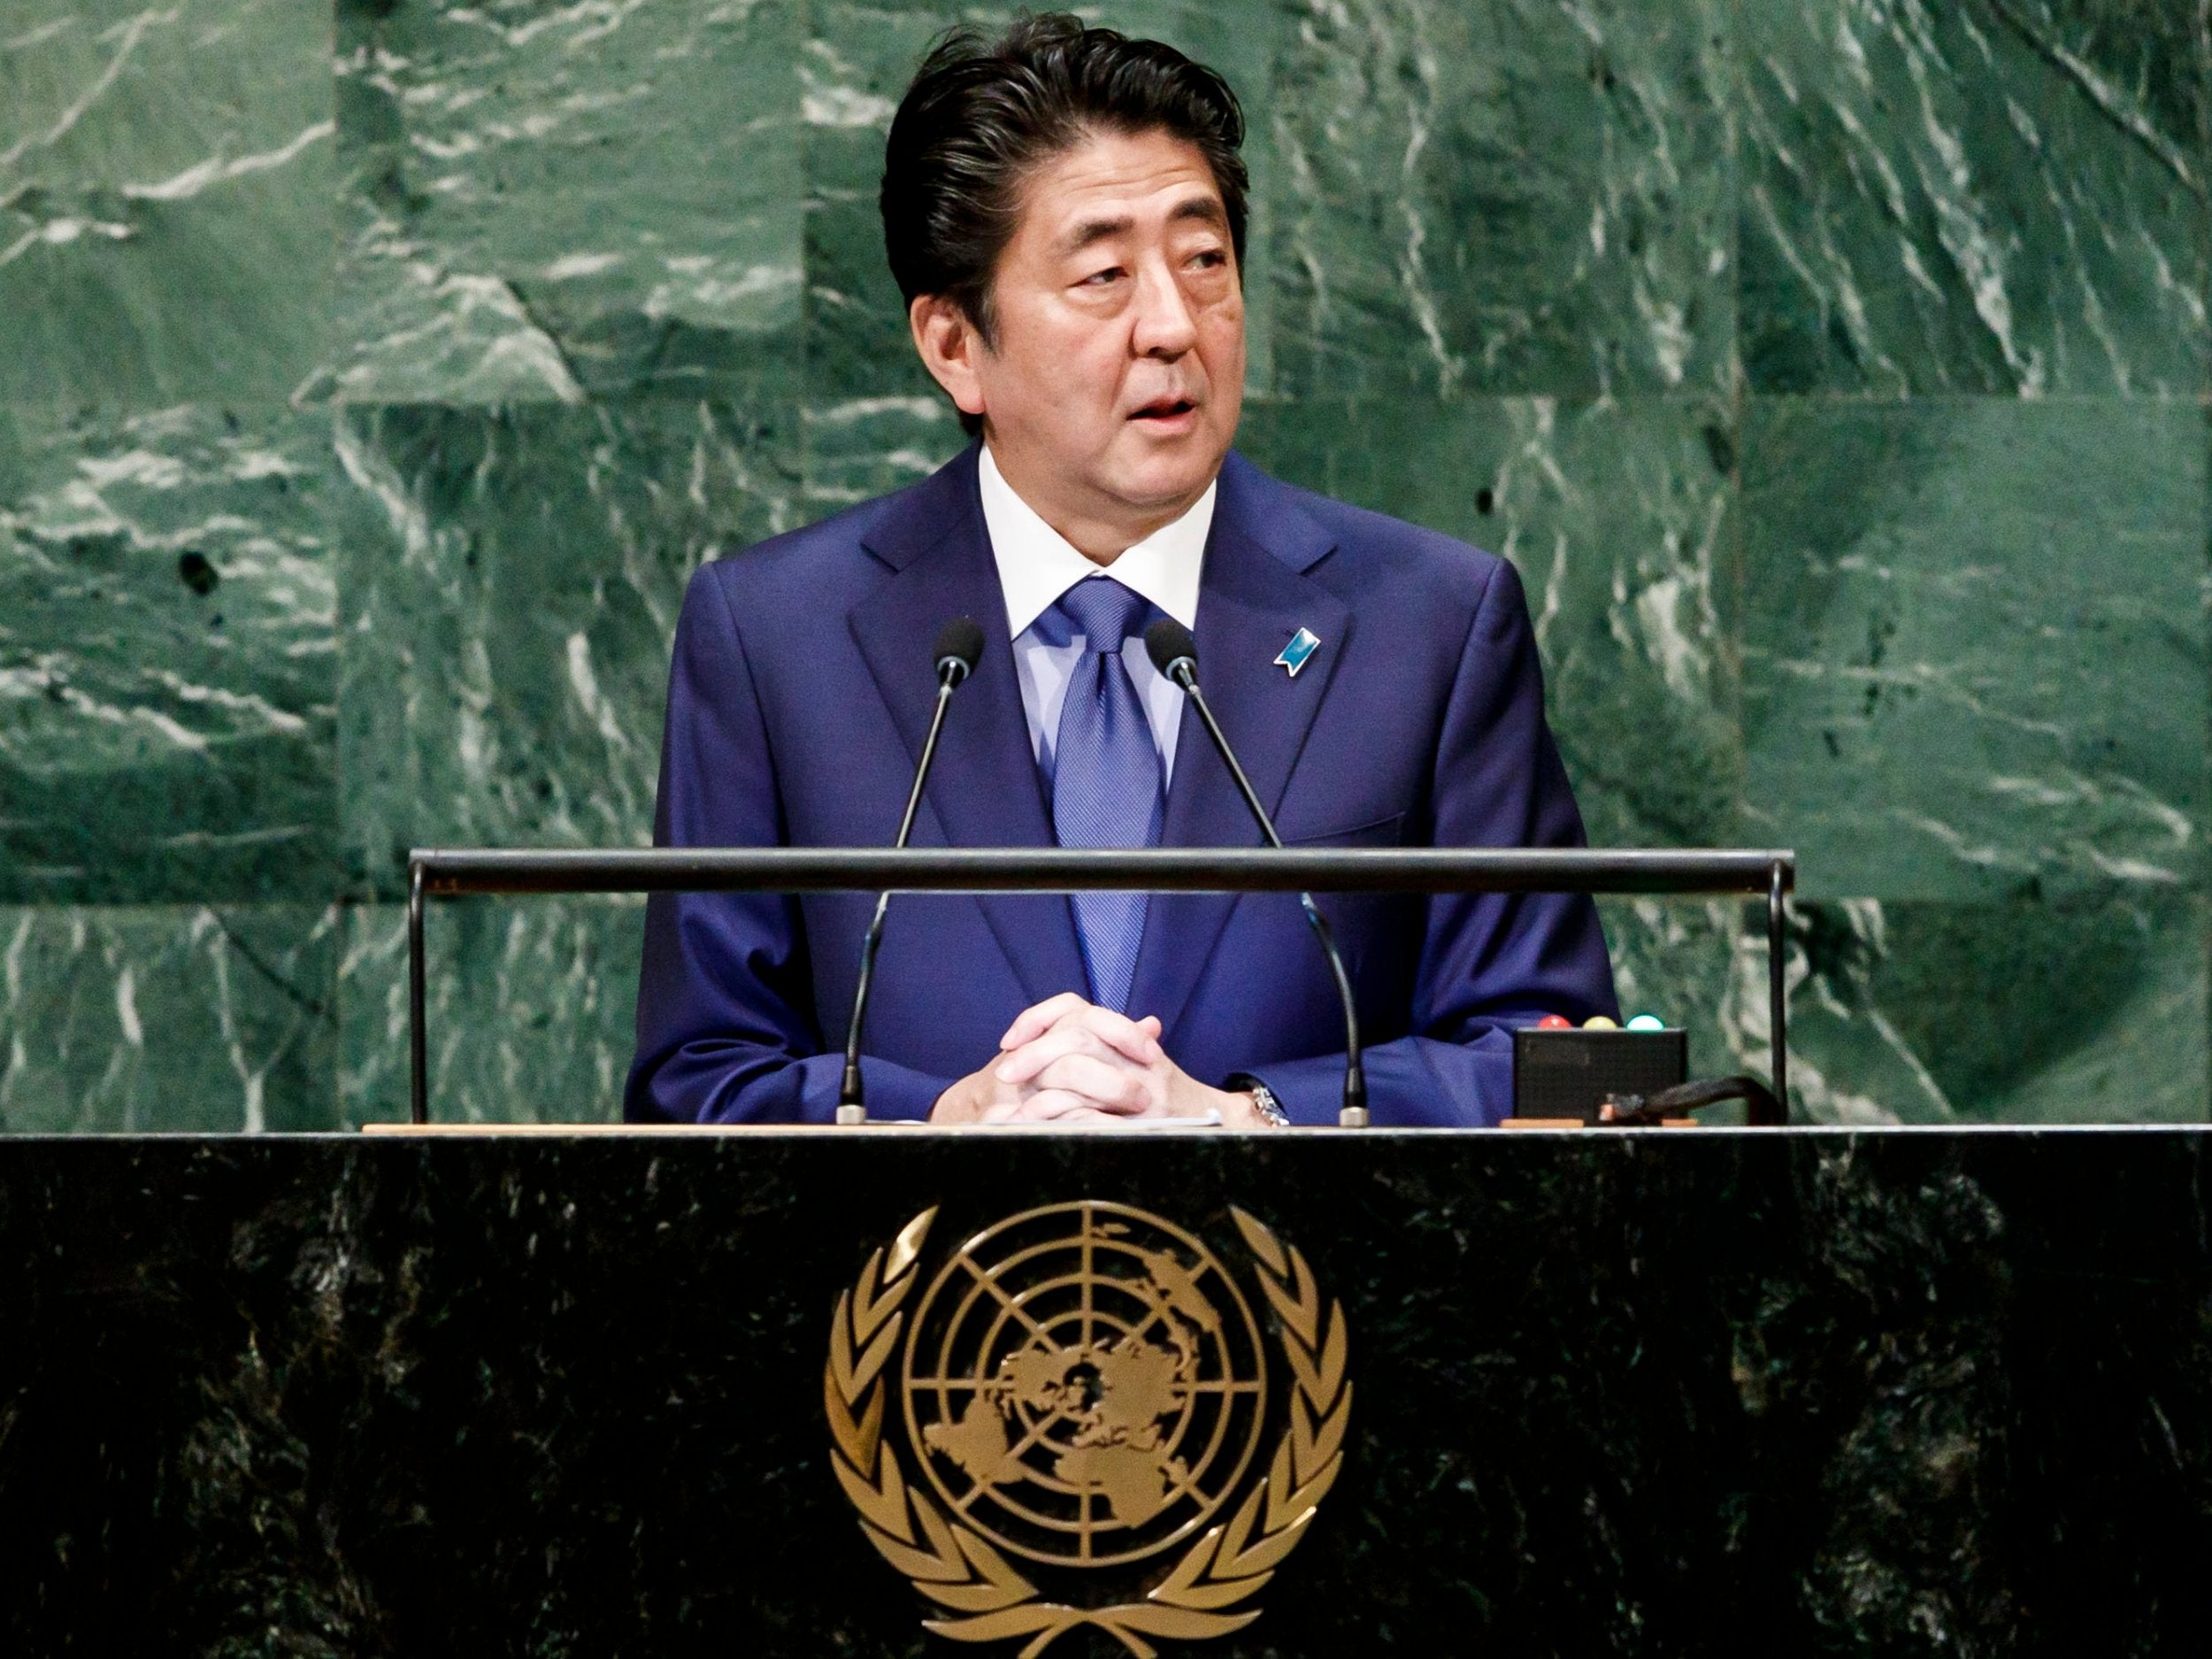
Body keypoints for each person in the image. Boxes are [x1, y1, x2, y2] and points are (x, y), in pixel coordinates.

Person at [626, 14, 1617, 1130]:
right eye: (1103, 275)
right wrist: (940, 1124)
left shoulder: (1426, 624)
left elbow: (1567, 1069)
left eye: (1204, 262)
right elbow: (695, 1083)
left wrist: (1249, 1116)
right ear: (956, 345)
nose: (1172, 325)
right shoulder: (775, 638)